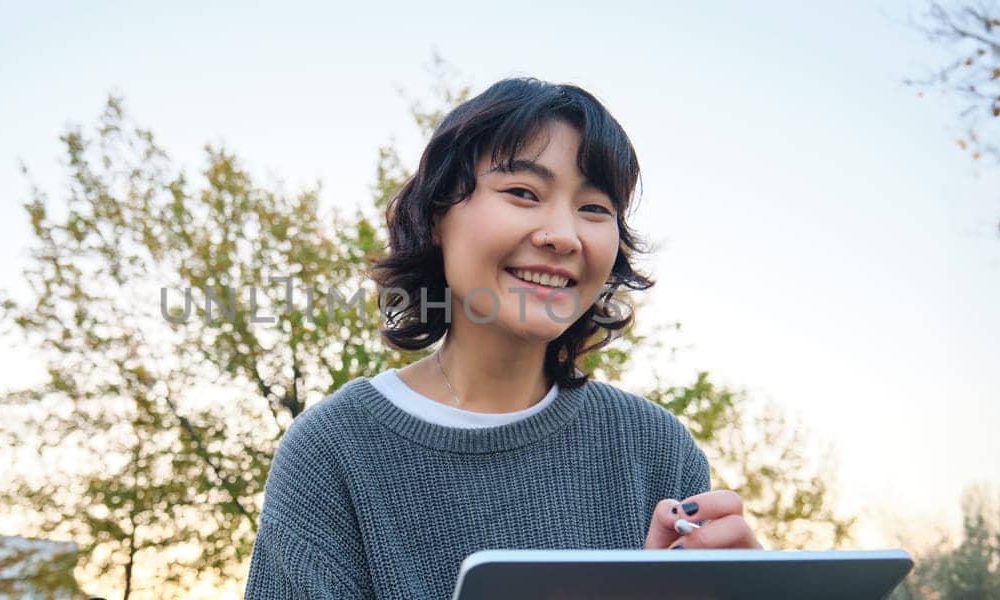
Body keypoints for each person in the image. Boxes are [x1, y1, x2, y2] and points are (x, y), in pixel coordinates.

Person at [243, 77, 762, 600]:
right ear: (436, 217)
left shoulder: (656, 449)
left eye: (595, 208)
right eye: (522, 193)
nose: (563, 234)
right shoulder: (331, 451)